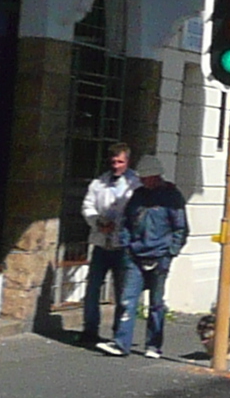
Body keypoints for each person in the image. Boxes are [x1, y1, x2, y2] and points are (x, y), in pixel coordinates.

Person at [114, 158, 191, 359]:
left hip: (160, 254)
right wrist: (126, 245)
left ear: (156, 176)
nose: (144, 181)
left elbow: (180, 227)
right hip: (135, 253)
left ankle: (154, 345)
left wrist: (170, 251)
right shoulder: (138, 196)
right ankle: (122, 344)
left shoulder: (172, 197)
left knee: (156, 303)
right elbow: (125, 222)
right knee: (127, 299)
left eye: (146, 178)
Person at [77, 143, 136, 350]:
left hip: (123, 245)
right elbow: (87, 206)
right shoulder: (98, 183)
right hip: (101, 244)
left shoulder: (134, 184)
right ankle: (90, 330)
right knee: (93, 289)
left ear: (127, 162)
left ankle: (119, 334)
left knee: (122, 293)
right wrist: (97, 221)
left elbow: (136, 212)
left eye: (120, 161)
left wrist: (119, 225)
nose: (116, 165)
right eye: (113, 162)